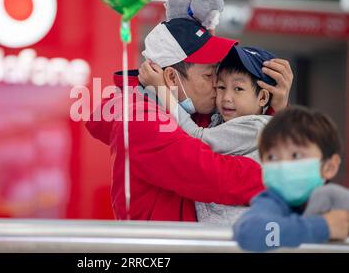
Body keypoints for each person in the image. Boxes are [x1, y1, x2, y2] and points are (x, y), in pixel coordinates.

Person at [86, 15, 293, 221]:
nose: (218, 87)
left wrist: (274, 109)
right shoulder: (141, 121)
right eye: (209, 76)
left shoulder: (195, 112)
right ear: (171, 78)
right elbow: (215, 178)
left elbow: (246, 138)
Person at [138, 45, 278, 224]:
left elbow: (198, 138)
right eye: (220, 86)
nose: (226, 97)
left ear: (263, 98)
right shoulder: (222, 119)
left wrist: (161, 89)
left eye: (238, 89)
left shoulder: (257, 126)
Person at [233, 106, 349, 252]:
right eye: (272, 157)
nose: (283, 165)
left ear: (329, 167)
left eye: (296, 155)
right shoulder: (271, 202)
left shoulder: (337, 199)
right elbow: (251, 233)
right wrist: (325, 226)